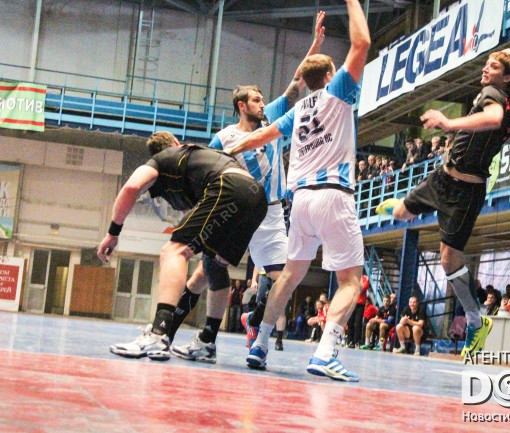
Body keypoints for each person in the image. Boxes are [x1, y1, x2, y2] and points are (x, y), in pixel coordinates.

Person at [224, 1, 370, 382]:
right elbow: (362, 42)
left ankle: (259, 344)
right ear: (332, 75)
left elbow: (259, 136)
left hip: (300, 202)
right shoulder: (338, 91)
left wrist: (229, 149)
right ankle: (325, 353)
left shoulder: (298, 111)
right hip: (334, 195)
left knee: (289, 276)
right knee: (351, 281)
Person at [169, 12, 327, 359]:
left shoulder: (272, 119)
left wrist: (315, 45)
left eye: (262, 99)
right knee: (202, 276)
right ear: (242, 106)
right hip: (235, 214)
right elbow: (207, 178)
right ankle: (169, 331)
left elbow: (297, 84)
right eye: (256, 100)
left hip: (270, 215)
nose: (262, 103)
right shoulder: (223, 138)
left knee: (282, 279)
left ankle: (255, 322)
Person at [376, 49, 510, 357]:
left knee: (449, 260)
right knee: (403, 212)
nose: (485, 68)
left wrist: (447, 122)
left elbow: (494, 118)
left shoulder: (493, 96)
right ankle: (397, 204)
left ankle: (476, 320)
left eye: (493, 66)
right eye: (486, 64)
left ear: (505, 77)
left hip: (465, 193)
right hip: (442, 178)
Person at [100, 131, 267, 360]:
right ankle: (207, 342)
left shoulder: (161, 160)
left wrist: (113, 233)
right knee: (214, 265)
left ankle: (158, 334)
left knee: (174, 251)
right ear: (177, 142)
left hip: (229, 187)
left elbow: (132, 187)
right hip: (256, 199)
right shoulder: (199, 159)